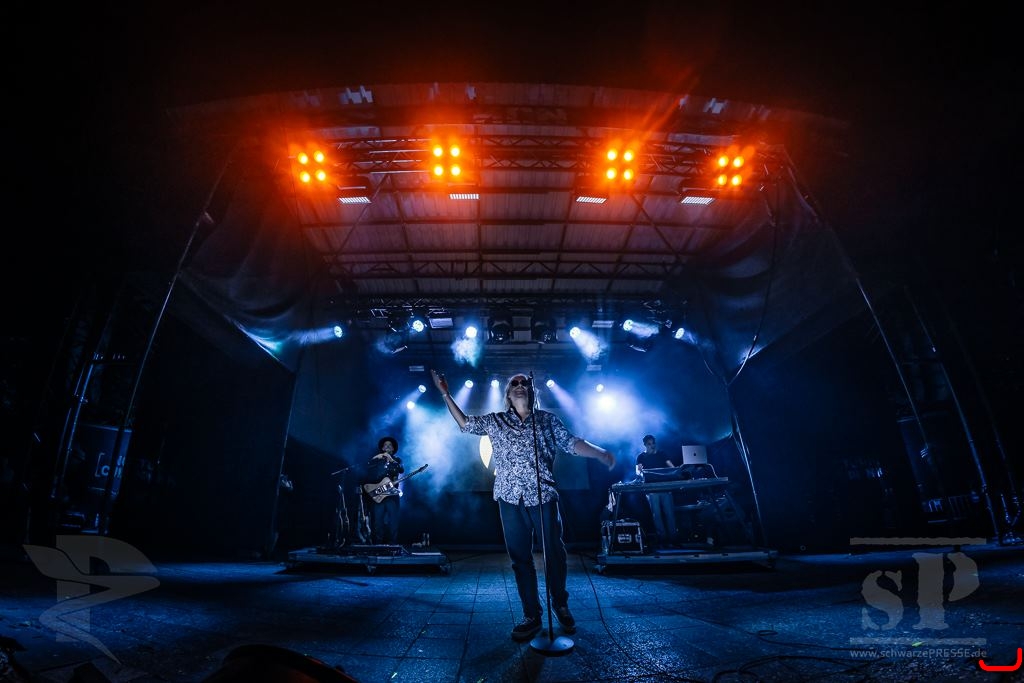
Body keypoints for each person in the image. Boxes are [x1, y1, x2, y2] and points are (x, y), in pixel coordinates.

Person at [431, 368, 617, 642]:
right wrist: (446, 394)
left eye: (524, 382)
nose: (520, 385)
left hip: (542, 495)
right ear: (508, 393)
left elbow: (571, 443)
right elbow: (465, 424)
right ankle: (531, 614)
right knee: (520, 559)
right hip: (509, 497)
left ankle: (560, 604)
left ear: (531, 390)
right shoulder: (496, 421)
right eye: (514, 383)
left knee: (554, 552)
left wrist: (599, 453)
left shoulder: (546, 420)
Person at [635, 434, 678, 548]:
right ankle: (663, 539)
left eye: (653, 443)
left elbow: (672, 467)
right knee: (657, 515)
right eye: (649, 444)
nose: (652, 445)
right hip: (651, 489)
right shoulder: (641, 456)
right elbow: (638, 471)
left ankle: (674, 539)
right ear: (645, 445)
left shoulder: (662, 454)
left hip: (665, 488)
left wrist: (677, 471)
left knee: (670, 513)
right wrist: (641, 472)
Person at [364, 436, 404, 544]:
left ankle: (393, 545)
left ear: (393, 449)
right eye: (385, 445)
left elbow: (401, 469)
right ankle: (378, 545)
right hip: (379, 494)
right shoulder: (377, 460)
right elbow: (367, 470)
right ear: (382, 448)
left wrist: (391, 460)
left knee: (393, 521)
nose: (387, 446)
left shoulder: (397, 460)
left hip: (392, 495)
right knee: (377, 521)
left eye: (390, 445)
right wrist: (375, 458)